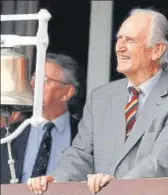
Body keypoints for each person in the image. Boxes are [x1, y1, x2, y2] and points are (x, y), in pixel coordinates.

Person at [28, 8, 168, 194]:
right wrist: (58, 179)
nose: (120, 47)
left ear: (157, 50)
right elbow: (81, 154)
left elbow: (160, 161)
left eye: (130, 40)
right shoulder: (100, 97)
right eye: (119, 39)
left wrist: (118, 185)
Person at [0, 53, 85, 184]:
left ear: (67, 92)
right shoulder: (8, 136)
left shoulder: (85, 137)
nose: (33, 85)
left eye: (44, 80)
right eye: (33, 78)